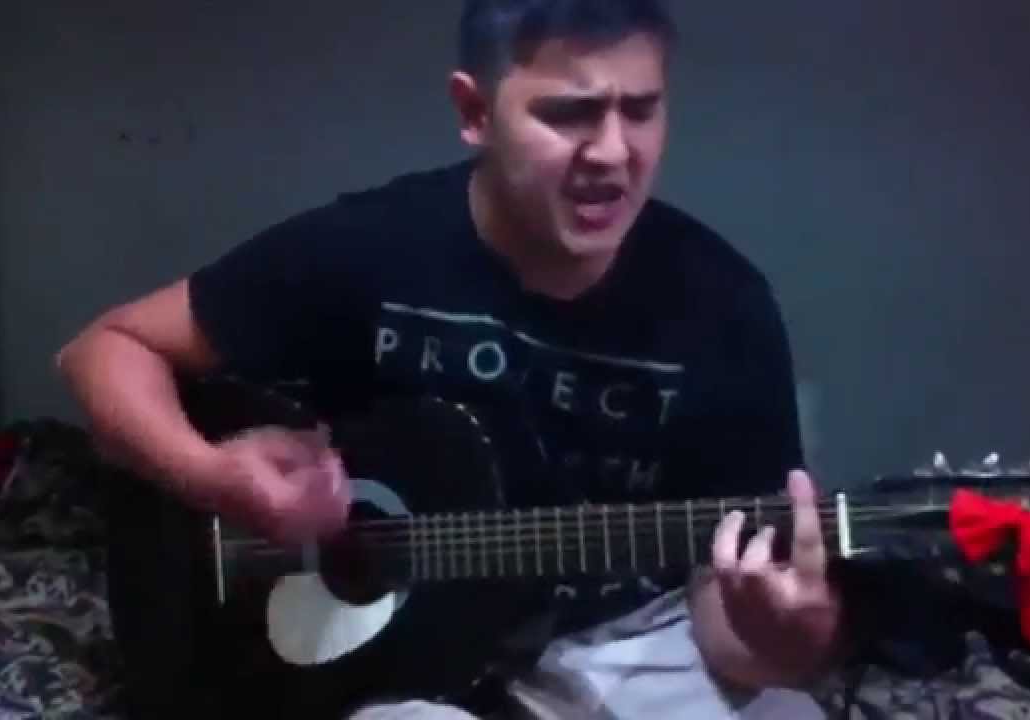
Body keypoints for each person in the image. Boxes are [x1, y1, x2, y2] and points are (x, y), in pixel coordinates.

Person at [56, 0, 852, 717]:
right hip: (391, 665)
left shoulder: (724, 306)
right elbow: (104, 350)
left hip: (618, 647)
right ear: (475, 112)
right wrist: (209, 476)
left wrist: (784, 636)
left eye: (641, 110)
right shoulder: (373, 246)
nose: (614, 152)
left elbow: (730, 611)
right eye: (569, 113)